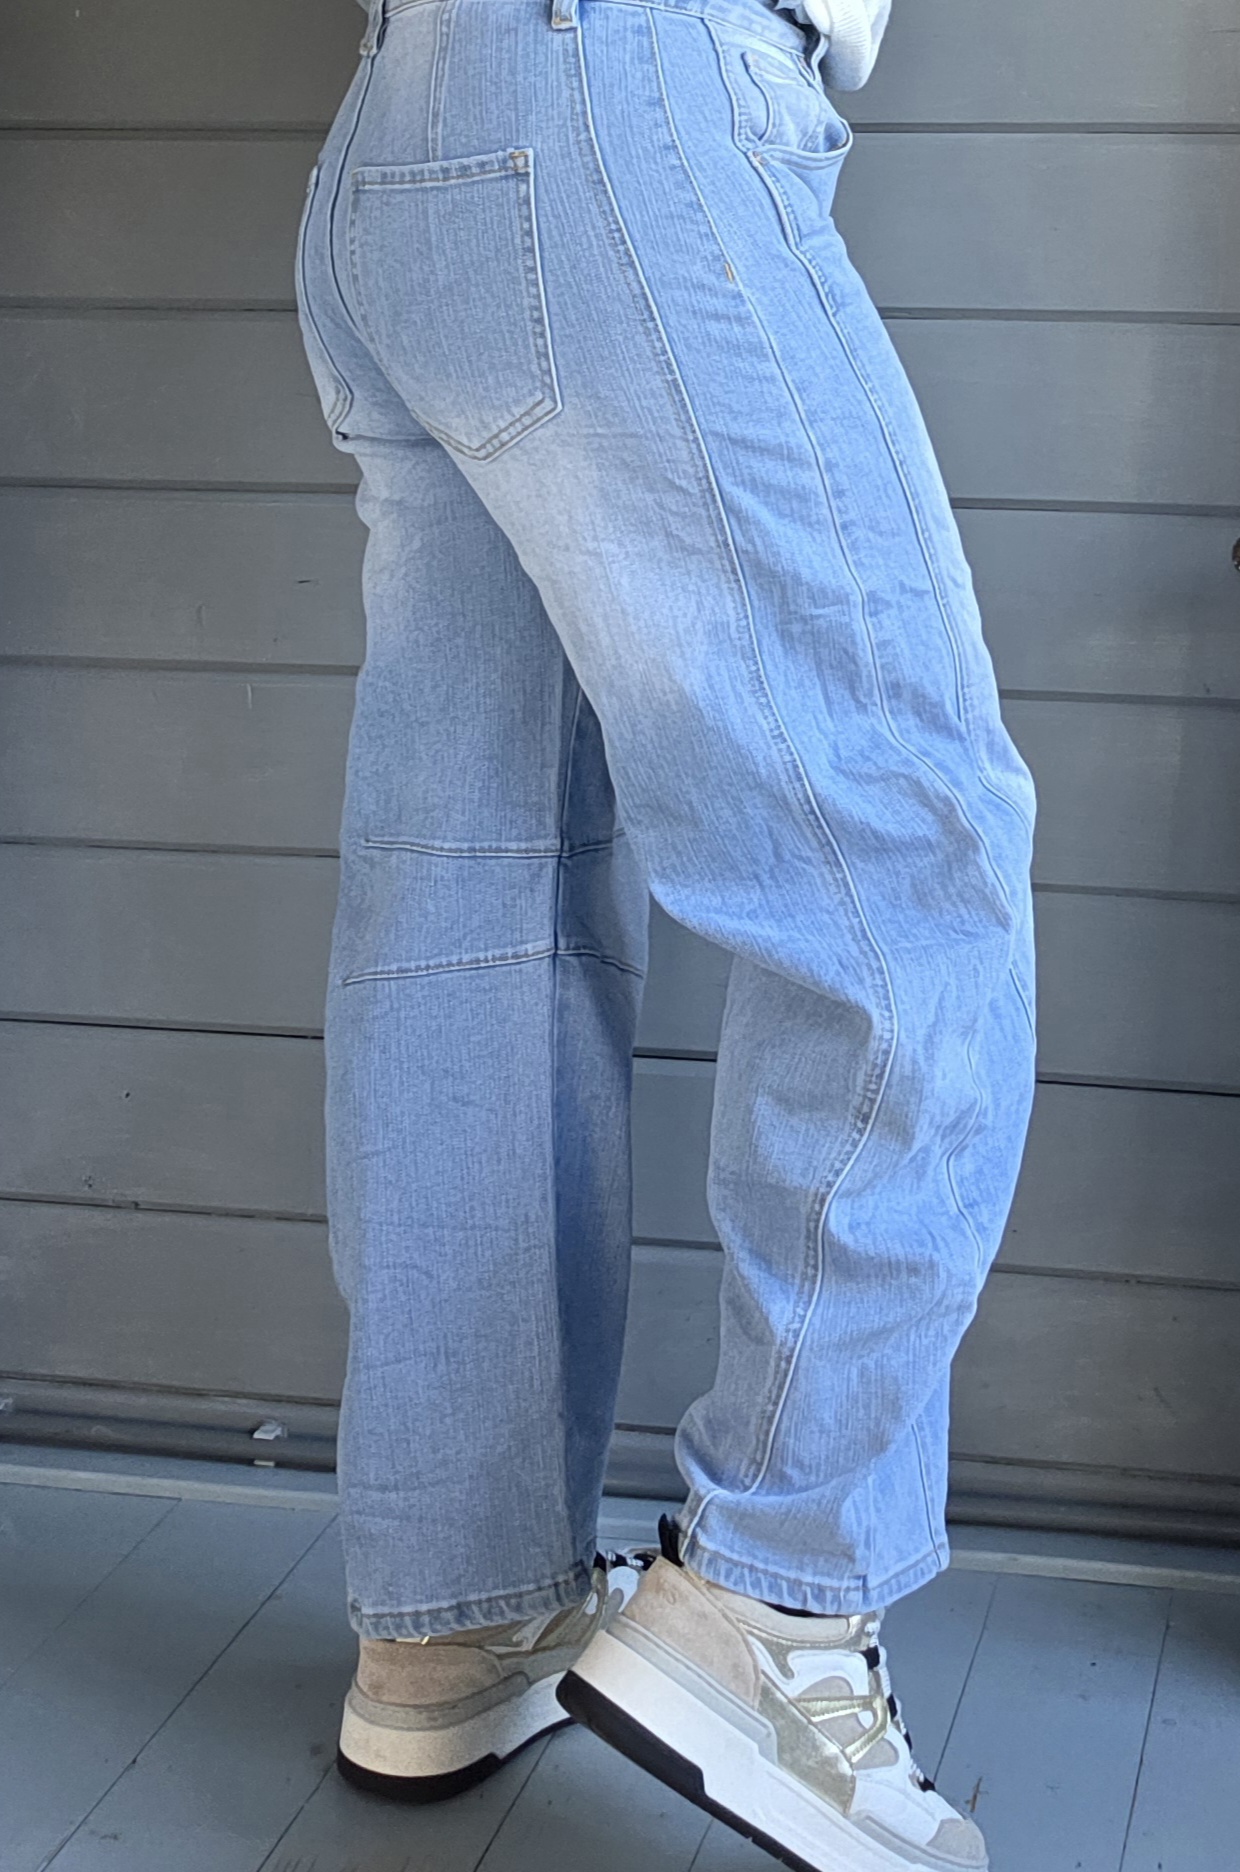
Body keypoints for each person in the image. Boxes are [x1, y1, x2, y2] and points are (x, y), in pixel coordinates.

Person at [294, 0, 1036, 1864]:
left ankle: (457, 1612)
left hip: (406, 126)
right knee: (905, 850)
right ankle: (776, 1603)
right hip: (626, 100)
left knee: (479, 894)